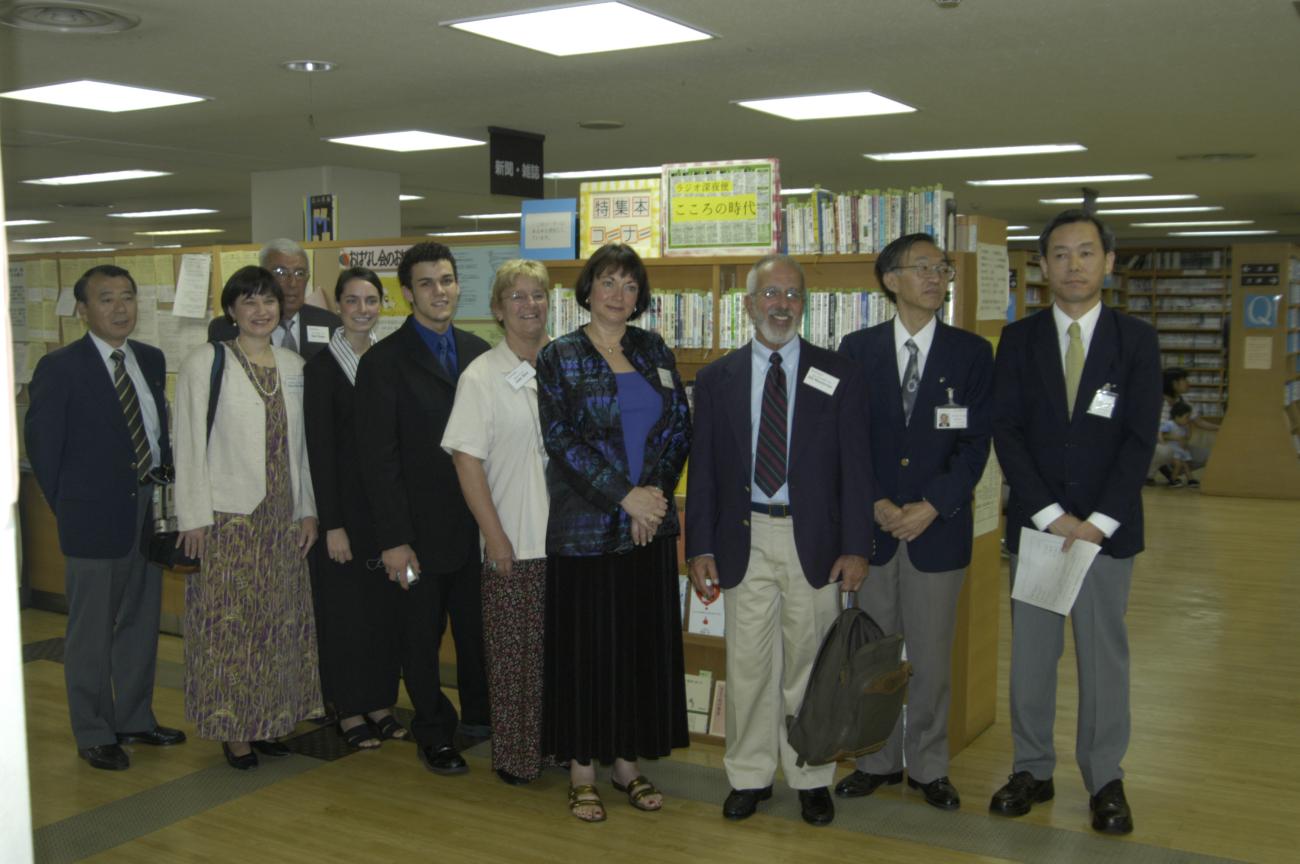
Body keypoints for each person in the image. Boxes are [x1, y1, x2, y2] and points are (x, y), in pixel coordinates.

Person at [990, 210, 1161, 835]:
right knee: (1032, 658)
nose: (1073, 265)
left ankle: (1105, 778)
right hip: (1040, 532)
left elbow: (1140, 439)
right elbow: (1006, 430)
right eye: (1059, 254)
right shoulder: (1019, 340)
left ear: (1108, 263)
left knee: (1103, 657)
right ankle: (1032, 768)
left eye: (1086, 253)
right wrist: (1050, 516)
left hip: (1106, 537)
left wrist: (1097, 522)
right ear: (1043, 266)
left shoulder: (1135, 341)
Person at [686, 253, 871, 828]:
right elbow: (706, 471)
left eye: (792, 296)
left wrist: (857, 546)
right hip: (743, 536)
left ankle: (812, 776)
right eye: (771, 295)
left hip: (813, 541)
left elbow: (857, 469)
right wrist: (700, 547)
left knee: (810, 667)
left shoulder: (837, 373)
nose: (781, 306)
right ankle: (749, 775)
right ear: (748, 305)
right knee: (748, 667)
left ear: (805, 305)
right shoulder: (719, 377)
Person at [836, 233, 992, 811]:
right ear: (890, 280)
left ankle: (929, 766)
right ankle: (876, 759)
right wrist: (876, 502)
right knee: (874, 655)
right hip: (872, 533)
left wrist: (932, 505)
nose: (935, 276)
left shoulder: (971, 353)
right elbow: (845, 438)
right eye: (921, 267)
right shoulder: (856, 349)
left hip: (937, 530)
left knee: (929, 657)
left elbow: (975, 443)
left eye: (942, 267)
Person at [536, 243, 691, 823]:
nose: (618, 294)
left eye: (629, 285)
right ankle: (581, 769)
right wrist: (623, 495)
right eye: (608, 281)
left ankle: (626, 762)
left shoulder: (653, 349)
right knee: (586, 651)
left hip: (647, 531)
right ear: (588, 289)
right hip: (584, 532)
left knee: (635, 649)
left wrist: (649, 499)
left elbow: (678, 427)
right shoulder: (560, 356)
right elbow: (562, 441)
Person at [25, 264, 187, 771]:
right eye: (107, 299)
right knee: (91, 631)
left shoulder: (151, 358)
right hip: (93, 517)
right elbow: (45, 451)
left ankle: (135, 717)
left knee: (140, 622)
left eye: (128, 297)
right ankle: (94, 729)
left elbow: (156, 433)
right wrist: (71, 509)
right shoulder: (61, 368)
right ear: (82, 310)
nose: (121, 308)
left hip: (147, 513)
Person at [175, 265, 323, 770]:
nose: (261, 311)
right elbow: (189, 444)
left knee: (277, 627)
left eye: (269, 301)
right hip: (227, 520)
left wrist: (308, 511)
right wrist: (191, 517)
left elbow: (303, 449)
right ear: (232, 310)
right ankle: (233, 730)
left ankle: (271, 721)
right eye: (249, 302)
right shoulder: (206, 362)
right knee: (228, 629)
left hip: (282, 521)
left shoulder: (293, 365)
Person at [354, 242, 491, 777]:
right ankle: (433, 732)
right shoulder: (384, 362)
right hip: (415, 535)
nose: (441, 292)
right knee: (421, 640)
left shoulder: (481, 353)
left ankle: (481, 718)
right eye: (428, 284)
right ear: (407, 294)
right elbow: (377, 461)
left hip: (477, 528)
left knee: (478, 634)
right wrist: (394, 539)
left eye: (448, 280)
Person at [442, 259, 552, 786]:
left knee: (559, 656)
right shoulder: (480, 376)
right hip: (514, 540)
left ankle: (557, 746)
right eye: (518, 297)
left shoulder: (564, 365)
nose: (529, 305)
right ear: (498, 309)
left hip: (571, 541)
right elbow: (467, 461)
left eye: (538, 295)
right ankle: (516, 756)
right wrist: (495, 536)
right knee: (514, 661)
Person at [304, 267, 411, 750]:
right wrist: (333, 524)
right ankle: (348, 708)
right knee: (345, 616)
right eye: (352, 301)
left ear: (384, 305)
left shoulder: (391, 361)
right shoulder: (322, 368)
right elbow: (319, 453)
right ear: (338, 307)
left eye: (372, 300)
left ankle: (381, 703)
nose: (363, 309)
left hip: (388, 516)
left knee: (386, 613)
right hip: (344, 517)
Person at [208, 238, 341, 359]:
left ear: (307, 278)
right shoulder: (224, 329)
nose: (292, 283)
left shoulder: (330, 324)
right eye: (281, 273)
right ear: (263, 275)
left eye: (300, 273)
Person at [1158, 401, 1196, 488]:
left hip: (1179, 450)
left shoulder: (1184, 426)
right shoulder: (1169, 424)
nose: (1188, 419)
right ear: (1177, 416)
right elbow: (1160, 433)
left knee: (1186, 464)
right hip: (1172, 450)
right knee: (1178, 464)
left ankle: (1190, 479)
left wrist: (1190, 428)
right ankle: (1173, 480)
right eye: (1186, 417)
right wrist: (1163, 444)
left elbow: (1187, 437)